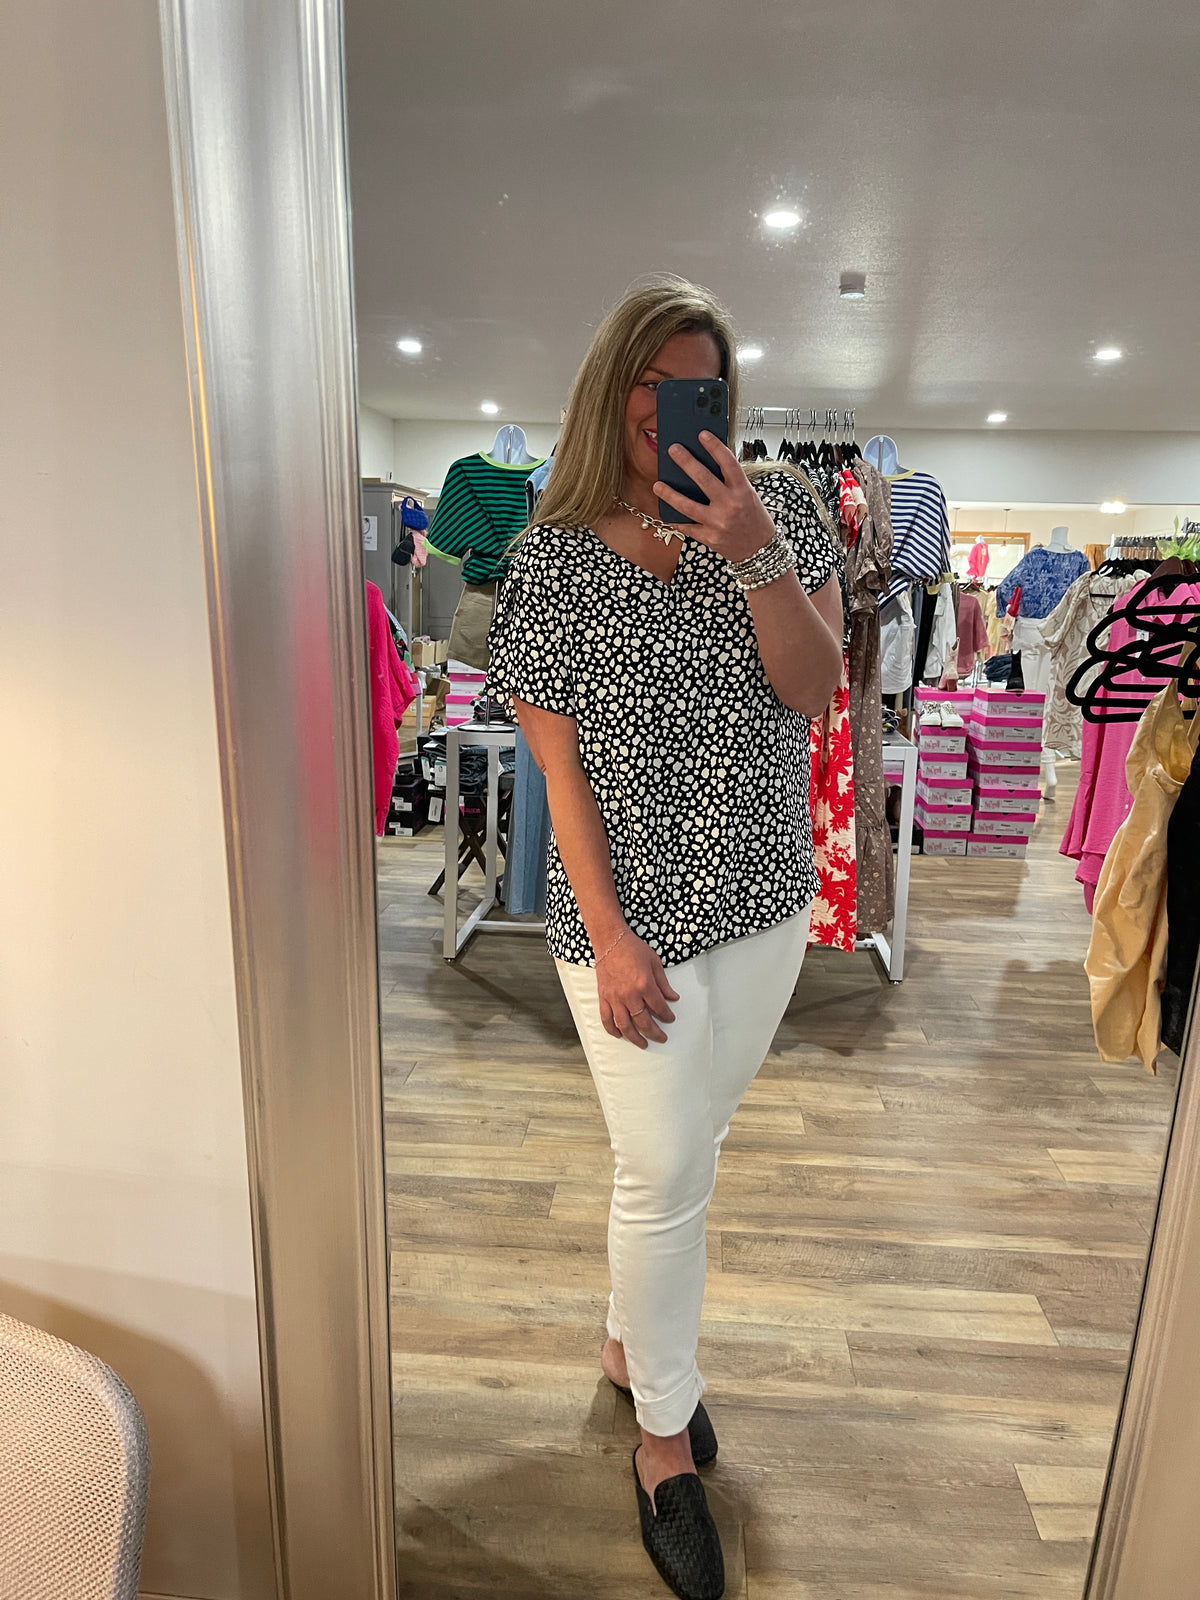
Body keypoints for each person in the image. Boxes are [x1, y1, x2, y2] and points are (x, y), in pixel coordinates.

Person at [486, 276, 843, 1600]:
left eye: (696, 385)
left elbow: (815, 690)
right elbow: (555, 764)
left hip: (763, 900)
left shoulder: (780, 509)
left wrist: (754, 547)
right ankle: (661, 1443)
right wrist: (612, 934)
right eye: (650, 378)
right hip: (624, 920)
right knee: (663, 1164)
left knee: (691, 1147)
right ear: (611, 385)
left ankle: (628, 1343)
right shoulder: (552, 548)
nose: (669, 404)